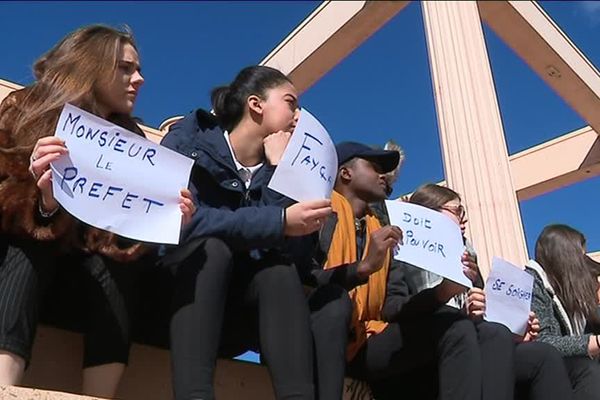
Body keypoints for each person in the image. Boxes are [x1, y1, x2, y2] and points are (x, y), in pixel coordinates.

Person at [0, 25, 194, 398]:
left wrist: (164, 222)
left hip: (87, 292)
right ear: (90, 66)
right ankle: (6, 387)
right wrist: (42, 203)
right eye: (125, 68)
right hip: (18, 274)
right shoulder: (23, 111)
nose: (139, 79)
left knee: (114, 266)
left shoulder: (133, 145)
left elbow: (120, 241)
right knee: (28, 251)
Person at [161, 65, 334, 400]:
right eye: (291, 103)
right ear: (256, 105)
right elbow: (185, 223)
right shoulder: (189, 139)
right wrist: (280, 221)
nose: (298, 117)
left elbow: (288, 257)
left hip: (239, 313)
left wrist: (277, 174)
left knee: (279, 271)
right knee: (212, 248)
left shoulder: (287, 168)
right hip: (176, 295)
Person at [312, 141, 494, 400]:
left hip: (369, 338)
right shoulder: (318, 213)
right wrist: (362, 268)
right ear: (345, 173)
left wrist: (443, 292)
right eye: (375, 167)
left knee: (457, 328)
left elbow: (392, 308)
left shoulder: (386, 234)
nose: (384, 176)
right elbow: (306, 280)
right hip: (321, 334)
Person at [409, 183, 572, 400]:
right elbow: (421, 306)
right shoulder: (412, 250)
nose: (464, 219)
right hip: (434, 343)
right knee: (493, 335)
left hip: (481, 339)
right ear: (430, 212)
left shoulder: (468, 255)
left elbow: (482, 313)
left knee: (544, 355)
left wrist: (517, 328)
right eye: (458, 211)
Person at [527, 224, 600, 399]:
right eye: (580, 257)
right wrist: (596, 342)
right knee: (586, 369)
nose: (584, 264)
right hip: (548, 371)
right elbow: (544, 342)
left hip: (571, 367)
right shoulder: (532, 283)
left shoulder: (569, 294)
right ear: (566, 257)